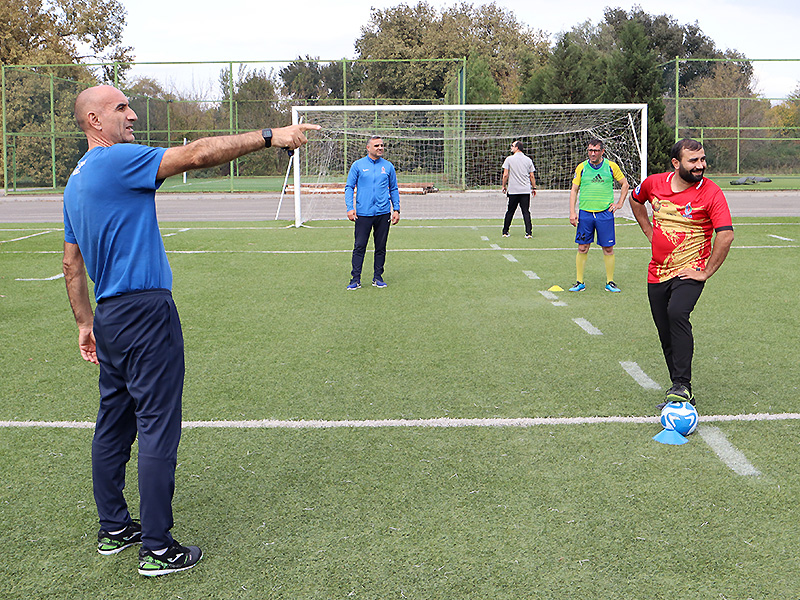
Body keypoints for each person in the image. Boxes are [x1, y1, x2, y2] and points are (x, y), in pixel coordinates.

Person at [62, 84, 318, 576]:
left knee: (113, 423)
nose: (132, 115)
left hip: (110, 317)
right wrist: (272, 136)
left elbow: (72, 265)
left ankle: (114, 528)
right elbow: (197, 153)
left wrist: (85, 323)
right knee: (157, 424)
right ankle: (158, 548)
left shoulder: (76, 181)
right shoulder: (118, 160)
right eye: (121, 108)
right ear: (94, 120)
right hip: (145, 311)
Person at [629, 138, 734, 411]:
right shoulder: (654, 183)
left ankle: (682, 385)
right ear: (676, 163)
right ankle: (680, 387)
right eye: (693, 161)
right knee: (665, 332)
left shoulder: (711, 192)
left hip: (690, 270)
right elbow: (635, 199)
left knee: (677, 312)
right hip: (657, 271)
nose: (701, 165)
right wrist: (649, 231)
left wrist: (706, 271)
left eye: (702, 159)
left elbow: (726, 236)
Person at [568, 138, 630, 292]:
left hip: (605, 214)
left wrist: (619, 203)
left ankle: (610, 282)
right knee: (582, 247)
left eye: (596, 150)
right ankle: (579, 282)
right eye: (590, 150)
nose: (592, 153)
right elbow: (574, 190)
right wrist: (572, 212)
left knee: (608, 248)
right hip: (585, 214)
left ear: (602, 151)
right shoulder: (581, 167)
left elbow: (625, 184)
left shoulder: (611, 166)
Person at [345, 135, 400, 290]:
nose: (380, 148)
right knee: (359, 246)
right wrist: (350, 207)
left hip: (383, 213)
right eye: (376, 146)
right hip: (363, 214)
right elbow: (349, 187)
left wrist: (396, 209)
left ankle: (378, 277)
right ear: (368, 148)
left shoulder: (388, 166)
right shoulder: (358, 165)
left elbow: (394, 188)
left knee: (380, 247)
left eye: (381, 145)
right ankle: (355, 279)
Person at [501, 140, 536, 238]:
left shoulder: (509, 159)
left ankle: (505, 231)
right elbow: (532, 176)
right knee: (526, 211)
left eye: (512, 146)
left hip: (513, 190)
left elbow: (505, 174)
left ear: (517, 148)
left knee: (510, 211)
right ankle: (529, 233)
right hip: (525, 190)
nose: (511, 147)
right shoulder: (528, 160)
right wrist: (534, 187)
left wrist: (503, 185)